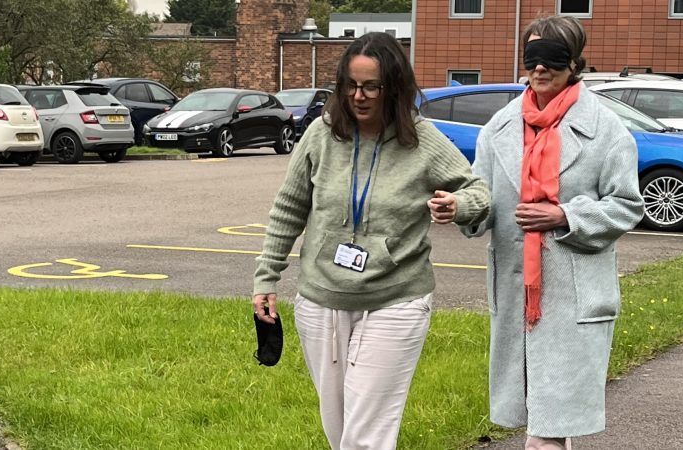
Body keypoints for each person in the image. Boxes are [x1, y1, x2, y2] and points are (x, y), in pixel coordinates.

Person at [252, 32, 490, 449]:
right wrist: (265, 278)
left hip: (396, 299)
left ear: (393, 88)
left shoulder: (422, 139)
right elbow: (288, 209)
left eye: (370, 86)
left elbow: (478, 191)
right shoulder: (321, 135)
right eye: (350, 84)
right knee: (339, 426)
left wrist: (459, 204)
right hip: (322, 297)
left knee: (366, 432)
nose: (358, 96)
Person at [461, 15, 644, 450]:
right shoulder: (500, 128)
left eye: (552, 58)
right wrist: (461, 207)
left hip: (572, 296)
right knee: (536, 421)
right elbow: (480, 197)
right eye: (532, 58)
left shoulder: (606, 129)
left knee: (548, 428)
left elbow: (627, 205)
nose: (539, 68)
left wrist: (564, 216)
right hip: (517, 295)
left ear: (574, 63)